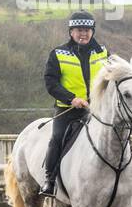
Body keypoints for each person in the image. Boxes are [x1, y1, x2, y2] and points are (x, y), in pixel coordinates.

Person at [40, 12, 108, 197]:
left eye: (86, 30)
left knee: (119, 134)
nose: (83, 34)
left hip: (97, 109)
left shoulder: (103, 52)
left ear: (92, 31)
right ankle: (49, 179)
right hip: (68, 109)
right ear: (71, 32)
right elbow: (51, 83)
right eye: (79, 30)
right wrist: (72, 99)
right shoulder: (58, 54)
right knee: (57, 138)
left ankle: (131, 177)